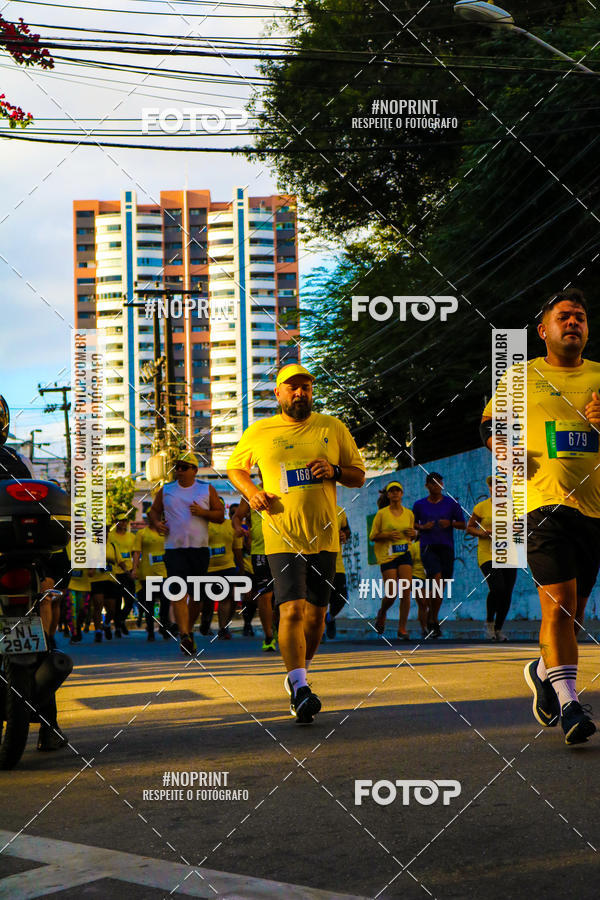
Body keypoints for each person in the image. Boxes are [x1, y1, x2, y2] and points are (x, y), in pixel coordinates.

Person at [482, 288, 599, 745]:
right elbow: (490, 427)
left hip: (594, 509)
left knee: (576, 611)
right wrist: (502, 446)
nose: (573, 323)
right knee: (560, 603)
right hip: (541, 502)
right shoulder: (519, 377)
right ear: (543, 330)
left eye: (581, 317)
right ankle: (571, 702)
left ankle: (543, 670)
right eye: (564, 316)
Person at [227, 363, 365, 723]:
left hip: (324, 534)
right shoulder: (260, 431)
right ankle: (301, 686)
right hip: (280, 534)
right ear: (278, 393)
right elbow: (235, 468)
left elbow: (358, 475)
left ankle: (299, 673)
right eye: (292, 388)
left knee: (317, 615)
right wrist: (253, 492)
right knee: (291, 608)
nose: (299, 393)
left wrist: (334, 471)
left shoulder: (331, 427)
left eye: (305, 387)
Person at [148, 450, 224, 655]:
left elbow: (220, 516)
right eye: (176, 467)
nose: (178, 471)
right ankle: (184, 635)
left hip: (199, 549)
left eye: (183, 467)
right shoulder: (167, 490)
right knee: (178, 592)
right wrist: (157, 523)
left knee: (196, 597)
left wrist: (203, 513)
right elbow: (153, 511)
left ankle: (188, 630)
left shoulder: (206, 489)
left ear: (194, 470)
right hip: (174, 549)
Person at [412, 472, 465, 638]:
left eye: (439, 483)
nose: (436, 486)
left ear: (442, 484)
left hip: (446, 547)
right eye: (432, 483)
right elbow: (411, 523)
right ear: (427, 486)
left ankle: (432, 617)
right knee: (436, 578)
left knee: (441, 586)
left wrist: (450, 523)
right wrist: (422, 527)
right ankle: (434, 621)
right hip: (428, 547)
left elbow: (463, 524)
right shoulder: (419, 505)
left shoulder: (451, 504)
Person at [467, 476, 517, 642]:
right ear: (489, 488)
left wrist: (515, 528)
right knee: (498, 588)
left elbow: (520, 526)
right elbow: (470, 527)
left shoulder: (512, 506)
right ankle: (489, 622)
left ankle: (499, 629)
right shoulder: (481, 507)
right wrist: (482, 533)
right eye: (493, 486)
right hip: (487, 553)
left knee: (507, 592)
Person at [369, 482, 416, 640]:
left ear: (402, 494)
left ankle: (402, 629)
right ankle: (382, 613)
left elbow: (412, 534)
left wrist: (413, 533)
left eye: (398, 491)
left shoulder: (409, 514)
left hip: (404, 553)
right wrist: (388, 535)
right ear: (388, 495)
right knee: (391, 594)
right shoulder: (382, 514)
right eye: (392, 491)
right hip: (387, 555)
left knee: (406, 592)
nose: (395, 493)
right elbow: (373, 536)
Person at [232, 490, 277, 652]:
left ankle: (282, 628)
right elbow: (236, 517)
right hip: (260, 552)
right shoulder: (251, 491)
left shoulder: (286, 486)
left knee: (285, 596)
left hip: (286, 550)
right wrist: (238, 528)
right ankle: (269, 636)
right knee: (265, 596)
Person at [131, 515, 171, 641]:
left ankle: (164, 628)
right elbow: (136, 552)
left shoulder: (166, 532)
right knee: (149, 603)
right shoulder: (142, 533)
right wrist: (135, 569)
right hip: (148, 574)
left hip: (164, 573)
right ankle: (150, 630)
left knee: (166, 601)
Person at [207, 498, 240, 640]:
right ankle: (205, 623)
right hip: (207, 569)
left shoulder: (231, 525)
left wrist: (241, 569)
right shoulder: (204, 525)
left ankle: (223, 627)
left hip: (228, 566)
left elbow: (237, 549)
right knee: (206, 600)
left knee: (228, 597)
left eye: (221, 507)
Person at [324, 505, 351, 640]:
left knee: (342, 596)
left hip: (337, 563)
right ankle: (317, 631)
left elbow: (347, 531)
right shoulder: (310, 507)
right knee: (318, 599)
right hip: (316, 561)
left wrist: (344, 535)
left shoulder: (340, 510)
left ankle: (330, 618)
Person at [108, 518, 136, 635]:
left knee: (130, 600)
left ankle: (120, 621)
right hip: (115, 572)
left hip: (128, 571)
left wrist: (134, 569)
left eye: (125, 521)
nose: (124, 523)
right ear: (117, 522)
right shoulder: (110, 536)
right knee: (118, 601)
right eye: (121, 521)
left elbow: (135, 553)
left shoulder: (131, 536)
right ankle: (118, 627)